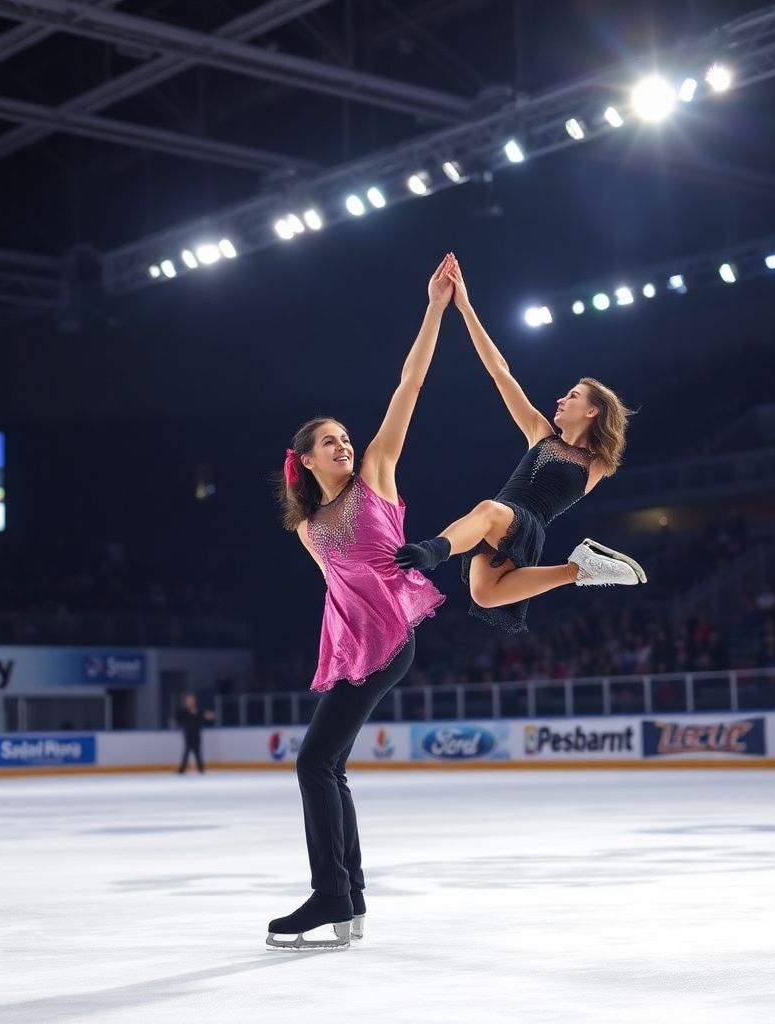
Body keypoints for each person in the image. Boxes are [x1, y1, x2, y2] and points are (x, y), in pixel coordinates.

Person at [266, 254, 452, 951]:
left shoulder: (377, 472)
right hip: (357, 650)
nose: (344, 442)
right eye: (329, 441)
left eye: (345, 436)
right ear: (306, 460)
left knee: (313, 762)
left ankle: (330, 894)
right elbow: (336, 592)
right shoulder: (308, 527)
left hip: (391, 639)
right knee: (327, 764)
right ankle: (350, 897)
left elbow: (411, 383)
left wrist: (433, 306)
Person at [396, 257, 647, 634]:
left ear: (593, 411)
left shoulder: (597, 464)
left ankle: (432, 550)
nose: (561, 399)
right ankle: (578, 569)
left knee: (488, 510)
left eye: (573, 396)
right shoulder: (540, 432)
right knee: (483, 594)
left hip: (523, 522)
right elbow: (500, 373)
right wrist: (464, 307)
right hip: (502, 520)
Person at [174, 693, 213, 773]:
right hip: (188, 734)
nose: (189, 702)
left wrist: (208, 716)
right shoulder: (183, 711)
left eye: (191, 700)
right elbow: (177, 719)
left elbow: (206, 716)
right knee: (186, 752)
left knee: (197, 752)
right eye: (188, 700)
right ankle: (182, 770)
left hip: (196, 734)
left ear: (194, 701)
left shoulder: (199, 711)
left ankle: (200, 769)